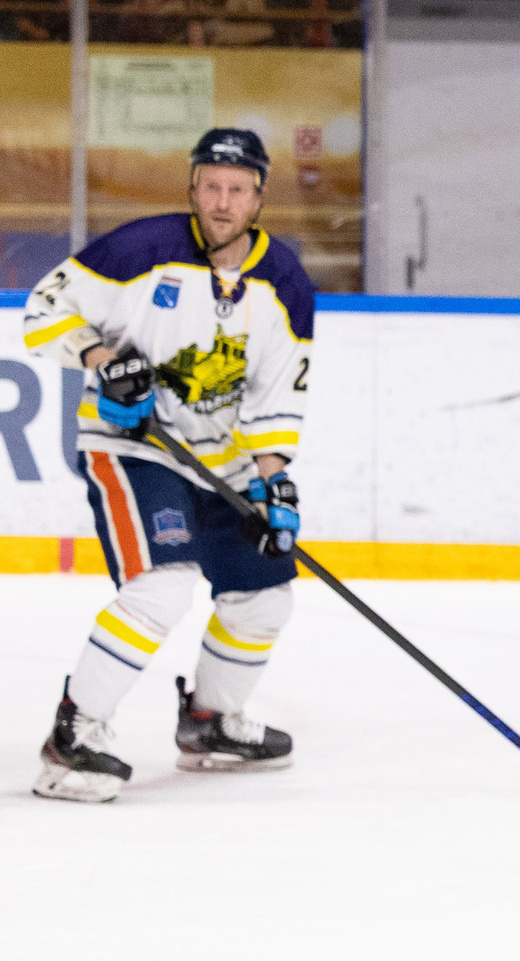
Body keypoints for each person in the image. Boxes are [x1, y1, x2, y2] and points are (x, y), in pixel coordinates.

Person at [22, 128, 314, 802]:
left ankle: (210, 725)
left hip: (225, 461)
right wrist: (102, 360)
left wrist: (275, 481)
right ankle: (73, 738)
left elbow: (276, 396)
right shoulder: (138, 250)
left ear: (259, 196)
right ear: (193, 188)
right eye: (210, 185)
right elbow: (43, 311)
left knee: (266, 594)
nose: (222, 200)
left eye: (237, 189)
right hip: (134, 448)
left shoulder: (287, 284)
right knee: (163, 585)